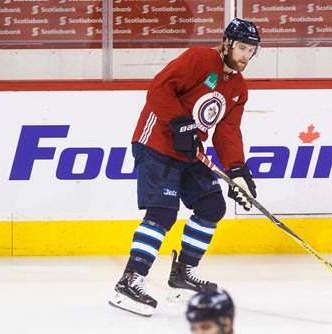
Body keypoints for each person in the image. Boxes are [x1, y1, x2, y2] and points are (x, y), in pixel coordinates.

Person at [108, 18, 260, 317]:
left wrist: (238, 171)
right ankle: (130, 280)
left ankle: (182, 274)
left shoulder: (238, 89)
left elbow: (228, 131)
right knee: (163, 212)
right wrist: (179, 123)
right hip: (156, 143)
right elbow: (159, 90)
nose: (245, 55)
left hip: (190, 152)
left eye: (251, 50)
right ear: (227, 43)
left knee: (212, 206)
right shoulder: (200, 58)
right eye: (241, 47)